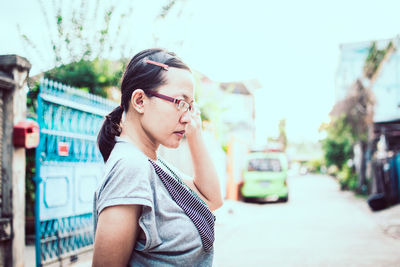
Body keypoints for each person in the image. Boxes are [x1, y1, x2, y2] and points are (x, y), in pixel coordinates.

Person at [92, 48, 223, 267]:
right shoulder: (130, 167)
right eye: (180, 103)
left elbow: (211, 200)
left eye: (191, 106)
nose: (187, 117)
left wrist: (195, 132)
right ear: (140, 101)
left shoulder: (152, 162)